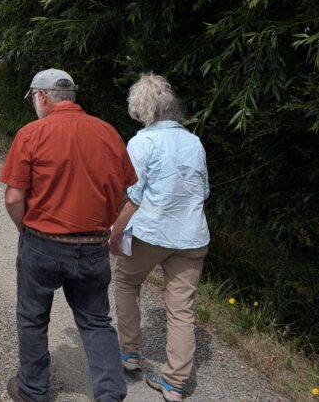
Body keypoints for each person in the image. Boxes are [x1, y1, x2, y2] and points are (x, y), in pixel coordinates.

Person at [0, 69, 137, 402]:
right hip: (92, 246)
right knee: (95, 321)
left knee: (32, 317)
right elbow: (123, 193)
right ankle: (110, 394)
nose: (34, 103)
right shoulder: (109, 133)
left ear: (43, 96)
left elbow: (14, 198)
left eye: (34, 97)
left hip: (42, 242)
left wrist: (24, 228)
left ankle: (32, 389)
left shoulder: (32, 133)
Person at [110, 74, 210, 402]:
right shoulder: (194, 142)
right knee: (181, 308)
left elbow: (134, 195)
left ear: (141, 108)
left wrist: (116, 231)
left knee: (126, 282)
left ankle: (130, 353)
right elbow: (203, 190)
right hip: (191, 236)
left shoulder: (142, 142)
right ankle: (175, 384)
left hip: (151, 234)